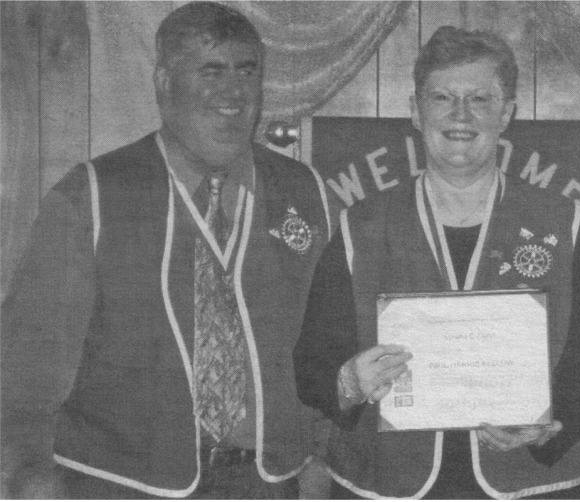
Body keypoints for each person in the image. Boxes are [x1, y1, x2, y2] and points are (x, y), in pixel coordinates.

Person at [0, 2, 333, 498]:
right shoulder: (93, 195)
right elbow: (26, 367)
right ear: (163, 84)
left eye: (247, 71)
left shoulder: (303, 192)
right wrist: (28, 474)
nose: (234, 92)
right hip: (118, 482)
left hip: (267, 484)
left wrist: (320, 458)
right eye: (210, 70)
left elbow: (326, 349)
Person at [293, 26, 580, 499]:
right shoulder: (361, 225)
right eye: (442, 97)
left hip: (527, 481)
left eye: (480, 99)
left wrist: (554, 423)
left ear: (506, 113)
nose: (460, 115)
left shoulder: (561, 219)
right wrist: (348, 381)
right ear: (415, 110)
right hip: (386, 480)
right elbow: (312, 363)